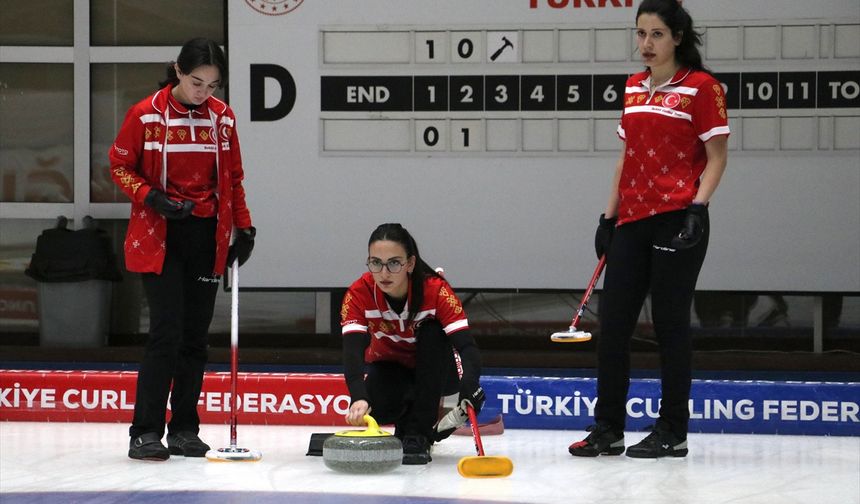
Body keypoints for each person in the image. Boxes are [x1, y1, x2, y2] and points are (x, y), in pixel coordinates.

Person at [569, 0, 729, 459]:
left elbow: (718, 157)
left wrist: (698, 209)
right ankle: (608, 428)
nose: (645, 44)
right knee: (614, 326)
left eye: (656, 34)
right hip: (632, 220)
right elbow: (628, 155)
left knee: (670, 324)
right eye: (640, 34)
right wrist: (608, 215)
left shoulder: (703, 88)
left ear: (678, 37)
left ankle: (672, 430)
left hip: (679, 218)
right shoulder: (634, 87)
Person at [109, 37, 256, 461]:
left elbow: (233, 179)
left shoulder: (222, 119)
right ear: (177, 71)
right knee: (166, 333)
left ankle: (185, 428)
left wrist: (244, 230)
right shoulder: (145, 114)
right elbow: (119, 165)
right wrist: (150, 196)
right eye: (196, 82)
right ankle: (145, 431)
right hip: (159, 235)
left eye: (212, 86)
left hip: (206, 234)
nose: (203, 93)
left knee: (195, 338)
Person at [340, 223, 485, 465]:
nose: (384, 273)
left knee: (432, 331)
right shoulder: (358, 293)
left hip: (437, 375)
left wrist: (469, 385)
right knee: (375, 402)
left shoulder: (436, 290)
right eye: (376, 263)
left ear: (410, 264)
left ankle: (419, 432)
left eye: (394, 263)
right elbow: (352, 353)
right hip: (393, 368)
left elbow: (467, 348)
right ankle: (410, 425)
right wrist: (358, 397)